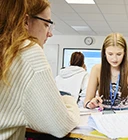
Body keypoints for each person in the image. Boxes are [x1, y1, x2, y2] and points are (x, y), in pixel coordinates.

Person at [0, 0, 79, 139]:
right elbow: (61, 125)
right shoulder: (27, 50)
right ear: (26, 21)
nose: (50, 34)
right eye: (46, 24)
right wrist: (69, 100)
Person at [84, 33, 128, 110]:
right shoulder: (96, 69)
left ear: (124, 53)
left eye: (119, 54)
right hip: (103, 113)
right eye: (110, 54)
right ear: (104, 53)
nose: (114, 59)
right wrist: (91, 104)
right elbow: (87, 101)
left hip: (125, 114)